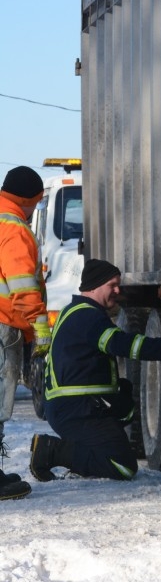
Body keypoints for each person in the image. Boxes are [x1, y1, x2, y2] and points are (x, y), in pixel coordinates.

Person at [30, 259, 161, 481]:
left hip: (73, 407)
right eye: (112, 285)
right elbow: (123, 345)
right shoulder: (87, 316)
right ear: (95, 285)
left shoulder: (76, 311)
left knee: (123, 406)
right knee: (122, 466)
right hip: (76, 410)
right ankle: (51, 451)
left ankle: (77, 451)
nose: (117, 291)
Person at [0, 166, 51, 500]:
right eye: (35, 203)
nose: (34, 210)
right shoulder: (15, 228)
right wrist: (40, 327)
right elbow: (22, 285)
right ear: (26, 199)